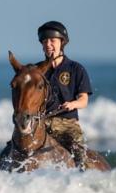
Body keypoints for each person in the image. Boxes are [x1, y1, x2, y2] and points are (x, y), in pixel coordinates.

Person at [38, 21, 93, 169]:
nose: (48, 44)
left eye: (52, 40)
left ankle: (84, 180)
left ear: (62, 43)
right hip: (41, 123)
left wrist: (72, 104)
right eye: (44, 41)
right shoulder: (37, 71)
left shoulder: (76, 69)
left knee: (80, 155)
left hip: (67, 124)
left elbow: (84, 100)